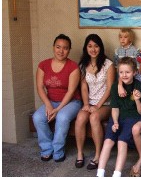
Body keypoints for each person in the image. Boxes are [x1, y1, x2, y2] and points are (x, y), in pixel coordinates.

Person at [32, 34, 82, 162]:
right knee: (37, 117)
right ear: (53, 47)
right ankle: (47, 148)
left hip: (71, 102)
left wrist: (58, 109)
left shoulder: (73, 67)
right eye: (58, 47)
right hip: (51, 101)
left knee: (62, 117)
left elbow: (71, 92)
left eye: (65, 48)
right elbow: (39, 87)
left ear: (69, 50)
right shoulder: (43, 65)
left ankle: (58, 152)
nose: (61, 51)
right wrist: (49, 105)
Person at [96, 57, 141, 177]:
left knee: (121, 141)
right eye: (121, 72)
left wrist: (138, 100)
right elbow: (115, 108)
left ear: (134, 72)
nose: (124, 75)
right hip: (117, 117)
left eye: (128, 72)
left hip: (132, 118)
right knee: (108, 141)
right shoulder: (115, 87)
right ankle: (100, 173)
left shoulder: (139, 86)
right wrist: (114, 122)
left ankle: (117, 174)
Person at [74, 34, 115, 170]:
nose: (93, 49)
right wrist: (86, 104)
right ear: (86, 48)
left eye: (96, 46)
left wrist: (97, 106)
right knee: (80, 118)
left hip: (106, 103)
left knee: (94, 117)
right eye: (90, 46)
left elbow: (110, 88)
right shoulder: (83, 65)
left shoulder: (108, 64)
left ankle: (98, 155)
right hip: (90, 102)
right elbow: (84, 86)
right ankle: (80, 153)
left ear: (100, 47)